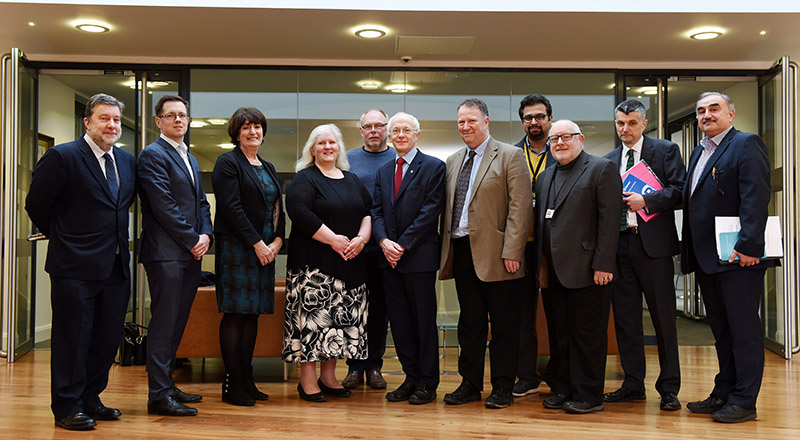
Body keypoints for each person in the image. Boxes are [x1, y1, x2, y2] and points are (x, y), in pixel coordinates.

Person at [26, 93, 136, 431]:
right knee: (72, 339)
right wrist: (64, 238)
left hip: (116, 267)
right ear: (87, 122)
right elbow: (36, 204)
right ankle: (67, 406)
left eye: (116, 119)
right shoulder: (63, 156)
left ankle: (91, 398)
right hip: (73, 267)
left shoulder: (127, 161)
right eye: (104, 118)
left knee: (105, 339)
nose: (112, 125)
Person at [682, 92, 775, 423]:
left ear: (731, 114)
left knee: (744, 330)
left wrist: (750, 246)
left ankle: (744, 401)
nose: (707, 114)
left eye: (714, 108)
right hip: (710, 258)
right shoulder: (698, 152)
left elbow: (755, 196)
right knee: (722, 330)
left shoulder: (746, 144)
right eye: (701, 111)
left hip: (739, 257)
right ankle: (724, 391)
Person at [439, 99, 532, 409]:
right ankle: (470, 383)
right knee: (470, 323)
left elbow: (520, 208)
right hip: (463, 251)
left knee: (505, 325)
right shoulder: (453, 160)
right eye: (461, 122)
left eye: (472, 121)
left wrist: (513, 251)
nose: (466, 127)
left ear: (486, 122)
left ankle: (503, 386)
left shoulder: (510, 155)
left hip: (500, 255)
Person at [602, 99, 685, 412]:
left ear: (644, 123)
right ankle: (633, 384)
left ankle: (668, 388)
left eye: (632, 123)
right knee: (625, 320)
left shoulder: (664, 151)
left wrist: (647, 200)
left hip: (654, 248)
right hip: (620, 247)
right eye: (621, 123)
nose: (625, 129)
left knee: (664, 320)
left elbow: (680, 190)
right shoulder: (609, 160)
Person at [536, 119, 621, 414]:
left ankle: (588, 395)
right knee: (561, 335)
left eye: (566, 137)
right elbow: (542, 225)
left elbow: (610, 222)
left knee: (587, 336)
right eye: (554, 138)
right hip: (555, 273)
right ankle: (565, 388)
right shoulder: (545, 177)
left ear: (581, 139)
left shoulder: (600, 169)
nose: (559, 142)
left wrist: (604, 264)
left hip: (589, 270)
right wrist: (542, 266)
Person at [283, 124, 372, 403]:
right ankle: (307, 381)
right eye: (321, 143)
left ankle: (328, 377)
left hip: (350, 265)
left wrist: (361, 239)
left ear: (339, 148)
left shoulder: (352, 179)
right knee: (313, 326)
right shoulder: (304, 179)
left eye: (332, 143)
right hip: (314, 267)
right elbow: (299, 212)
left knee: (338, 326)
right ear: (312, 149)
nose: (327, 147)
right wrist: (333, 239)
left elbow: (368, 213)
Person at [137, 95, 213, 416]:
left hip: (189, 254)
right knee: (164, 323)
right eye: (171, 115)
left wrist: (206, 235)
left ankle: (167, 384)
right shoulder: (152, 155)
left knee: (178, 322)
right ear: (159, 121)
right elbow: (162, 205)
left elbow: (201, 204)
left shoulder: (190, 158)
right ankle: (158, 396)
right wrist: (192, 239)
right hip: (166, 253)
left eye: (183, 115)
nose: (178, 120)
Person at [211, 107, 285, 406]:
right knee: (235, 315)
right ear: (236, 133)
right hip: (238, 249)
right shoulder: (227, 163)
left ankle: (247, 379)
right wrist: (257, 243)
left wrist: (278, 239)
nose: (252, 132)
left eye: (257, 127)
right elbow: (231, 208)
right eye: (246, 128)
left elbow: (278, 207)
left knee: (252, 315)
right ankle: (232, 384)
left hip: (265, 251)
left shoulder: (266, 166)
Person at [372, 112, 446, 405]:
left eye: (406, 130)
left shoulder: (433, 167)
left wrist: (401, 246)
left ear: (417, 134)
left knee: (423, 322)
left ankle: (427, 382)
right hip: (388, 260)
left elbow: (431, 211)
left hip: (418, 258)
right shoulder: (383, 171)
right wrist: (383, 242)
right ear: (390, 136)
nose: (400, 135)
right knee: (400, 323)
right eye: (395, 130)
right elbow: (376, 211)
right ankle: (410, 377)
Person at [342, 109, 395, 390]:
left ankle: (374, 365)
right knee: (353, 309)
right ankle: (354, 367)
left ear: (386, 128)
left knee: (379, 311)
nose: (374, 130)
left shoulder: (398, 157)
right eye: (368, 126)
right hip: (353, 248)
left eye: (379, 125)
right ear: (361, 130)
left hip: (385, 248)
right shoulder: (348, 159)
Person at [512, 94, 556, 398]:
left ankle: (559, 374)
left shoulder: (564, 150)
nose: (534, 122)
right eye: (528, 118)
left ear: (549, 119)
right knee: (522, 315)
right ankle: (526, 375)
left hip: (556, 246)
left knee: (558, 312)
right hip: (522, 244)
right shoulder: (511, 155)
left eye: (539, 116)